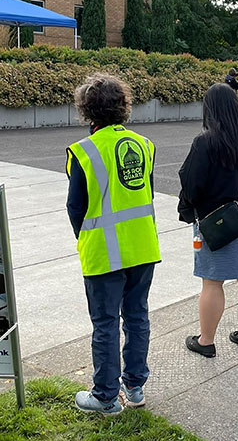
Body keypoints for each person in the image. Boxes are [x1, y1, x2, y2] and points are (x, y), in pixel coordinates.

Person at [67, 74, 161, 415]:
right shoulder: (144, 144)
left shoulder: (84, 151)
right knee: (137, 317)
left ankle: (105, 396)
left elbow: (75, 206)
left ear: (87, 110)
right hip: (143, 246)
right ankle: (134, 387)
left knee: (105, 323)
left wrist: (86, 236)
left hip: (104, 252)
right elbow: (144, 195)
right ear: (123, 106)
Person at [178, 83, 238, 357]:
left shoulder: (206, 141)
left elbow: (192, 186)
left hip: (215, 223)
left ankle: (207, 341)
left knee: (212, 282)